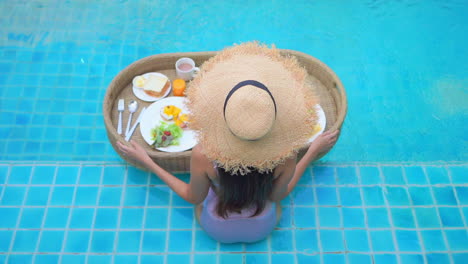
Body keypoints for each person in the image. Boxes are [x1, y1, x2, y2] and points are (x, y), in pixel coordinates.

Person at [117, 42, 339, 243]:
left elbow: (193, 198)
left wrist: (148, 161)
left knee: (202, 206)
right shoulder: (286, 154)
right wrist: (311, 153)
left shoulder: (203, 154)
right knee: (275, 205)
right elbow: (277, 196)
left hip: (217, 228)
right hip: (263, 227)